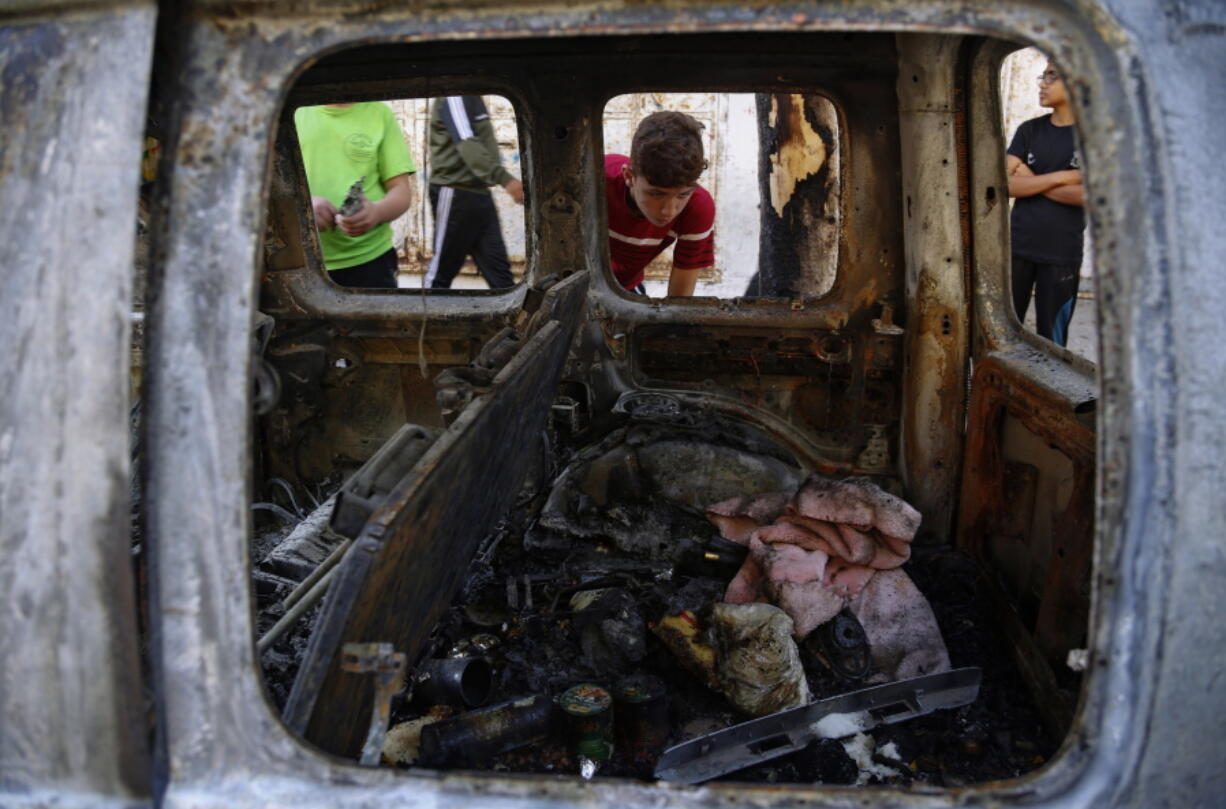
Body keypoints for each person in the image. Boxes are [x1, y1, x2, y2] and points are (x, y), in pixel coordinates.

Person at [294, 101, 417, 289]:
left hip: (370, 260)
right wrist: (301, 207)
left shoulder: (379, 113)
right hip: (299, 263)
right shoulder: (292, 111)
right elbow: (258, 189)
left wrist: (376, 212)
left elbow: (401, 191)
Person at [1006, 62, 1086, 346]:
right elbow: (1005, 184)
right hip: (1018, 247)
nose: (1042, 83)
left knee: (1052, 343)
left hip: (1061, 253)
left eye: (1052, 76)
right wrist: (1064, 176)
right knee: (1004, 337)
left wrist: (1032, 180)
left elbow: (1087, 196)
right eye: (1043, 76)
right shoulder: (1029, 130)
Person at [605, 111, 715, 297]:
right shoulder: (594, 182)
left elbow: (680, 300)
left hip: (625, 288)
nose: (669, 210)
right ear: (629, 176)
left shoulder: (698, 207)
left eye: (682, 195)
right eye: (656, 194)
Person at [425, 96, 524, 289]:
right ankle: (422, 319)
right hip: (455, 193)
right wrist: (505, 179)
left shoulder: (472, 95)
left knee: (501, 279)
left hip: (480, 194)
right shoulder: (455, 95)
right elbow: (466, 141)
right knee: (440, 276)